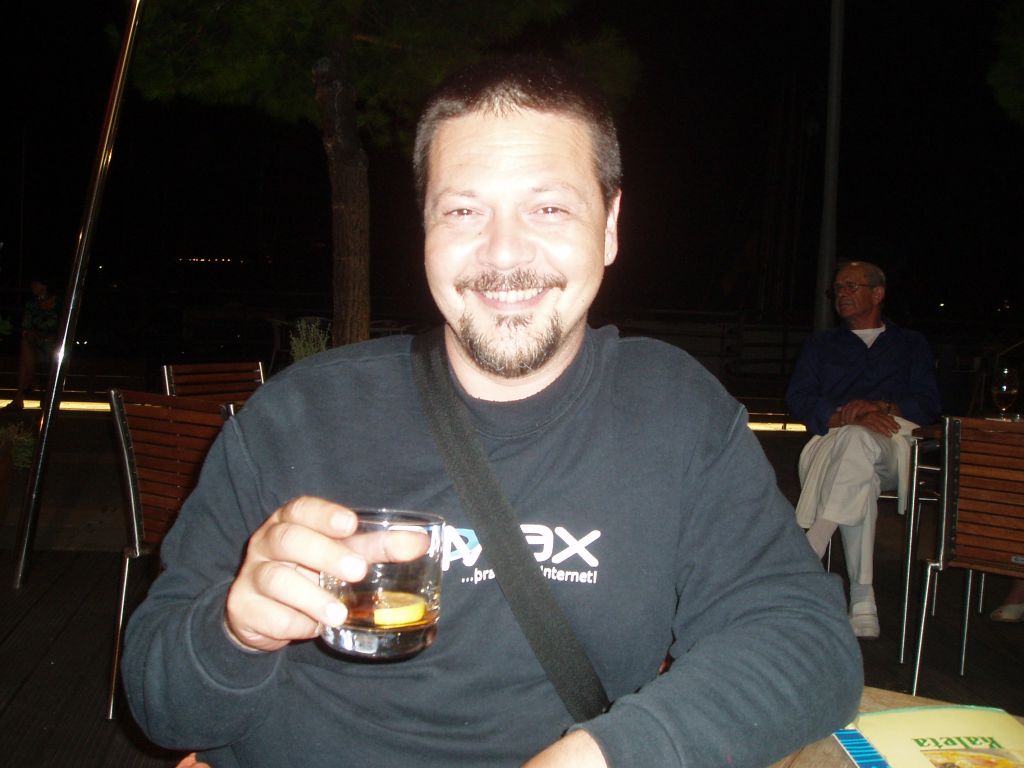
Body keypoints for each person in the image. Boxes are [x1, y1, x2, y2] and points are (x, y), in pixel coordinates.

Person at [122, 55, 862, 767]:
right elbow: (163, 709)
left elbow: (808, 642)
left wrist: (609, 755)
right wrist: (234, 631)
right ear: (425, 228)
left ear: (610, 225)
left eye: (548, 207)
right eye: (464, 210)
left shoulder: (676, 414)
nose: (504, 253)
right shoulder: (297, 415)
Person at [786, 260, 941, 640]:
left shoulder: (911, 344)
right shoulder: (821, 345)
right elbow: (799, 400)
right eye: (838, 288)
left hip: (894, 442)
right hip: (832, 443)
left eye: (851, 286)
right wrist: (847, 416)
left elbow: (929, 403)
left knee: (860, 448)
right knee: (860, 471)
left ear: (878, 293)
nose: (842, 294)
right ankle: (862, 599)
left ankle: (814, 543)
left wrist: (880, 408)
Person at [4, 274, 60, 411]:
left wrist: (50, 337)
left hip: (54, 344)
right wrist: (34, 336)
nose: (33, 286)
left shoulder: (59, 304)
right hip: (35, 343)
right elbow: (26, 326)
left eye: (36, 283)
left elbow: (61, 326)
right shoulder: (31, 304)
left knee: (29, 354)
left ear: (44, 285)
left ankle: (26, 388)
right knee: (26, 346)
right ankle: (27, 389)